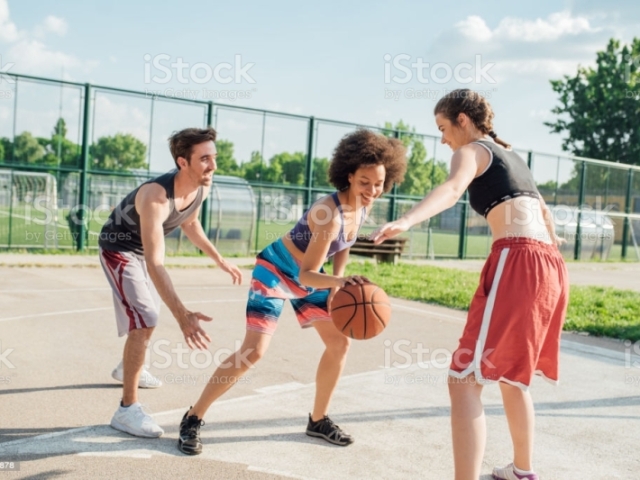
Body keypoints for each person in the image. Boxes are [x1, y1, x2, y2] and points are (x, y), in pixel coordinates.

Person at [371, 89, 569, 480]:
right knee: (512, 377)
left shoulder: (472, 151)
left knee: (463, 378)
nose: (443, 138)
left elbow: (452, 189)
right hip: (550, 265)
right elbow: (544, 214)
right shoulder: (513, 157)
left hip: (519, 259)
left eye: (443, 128)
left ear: (463, 120)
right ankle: (522, 470)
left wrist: (407, 220)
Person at [177, 129, 407, 455]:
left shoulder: (363, 206)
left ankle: (318, 419)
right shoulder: (329, 214)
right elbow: (306, 273)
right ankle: (194, 417)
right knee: (253, 352)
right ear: (349, 177)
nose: (372, 190)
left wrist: (337, 285)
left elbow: (344, 247)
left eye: (379, 183)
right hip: (275, 271)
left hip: (311, 277)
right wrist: (338, 284)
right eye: (364, 182)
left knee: (339, 343)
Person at [98, 127, 243, 438]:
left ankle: (127, 369)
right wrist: (184, 317)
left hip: (141, 253)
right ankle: (126, 410)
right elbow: (156, 263)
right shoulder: (156, 197)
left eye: (214, 157)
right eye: (204, 159)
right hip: (119, 250)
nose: (213, 165)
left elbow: (190, 222)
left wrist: (219, 259)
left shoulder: (202, 183)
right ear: (182, 162)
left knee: (146, 317)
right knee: (147, 318)